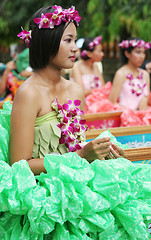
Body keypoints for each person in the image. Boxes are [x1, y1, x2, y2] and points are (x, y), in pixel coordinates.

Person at [0, 6, 151, 239]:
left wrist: (102, 151)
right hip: (45, 196)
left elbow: (77, 144)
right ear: (47, 41)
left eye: (76, 40)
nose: (75, 48)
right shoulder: (28, 93)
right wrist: (80, 156)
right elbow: (19, 165)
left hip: (81, 182)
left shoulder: (76, 91)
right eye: (68, 40)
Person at [109, 37, 151, 110]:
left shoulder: (145, 74)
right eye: (138, 52)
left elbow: (147, 98)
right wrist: (131, 113)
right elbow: (112, 102)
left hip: (144, 114)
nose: (142, 56)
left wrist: (144, 101)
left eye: (143, 52)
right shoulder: (121, 74)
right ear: (127, 54)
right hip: (126, 116)